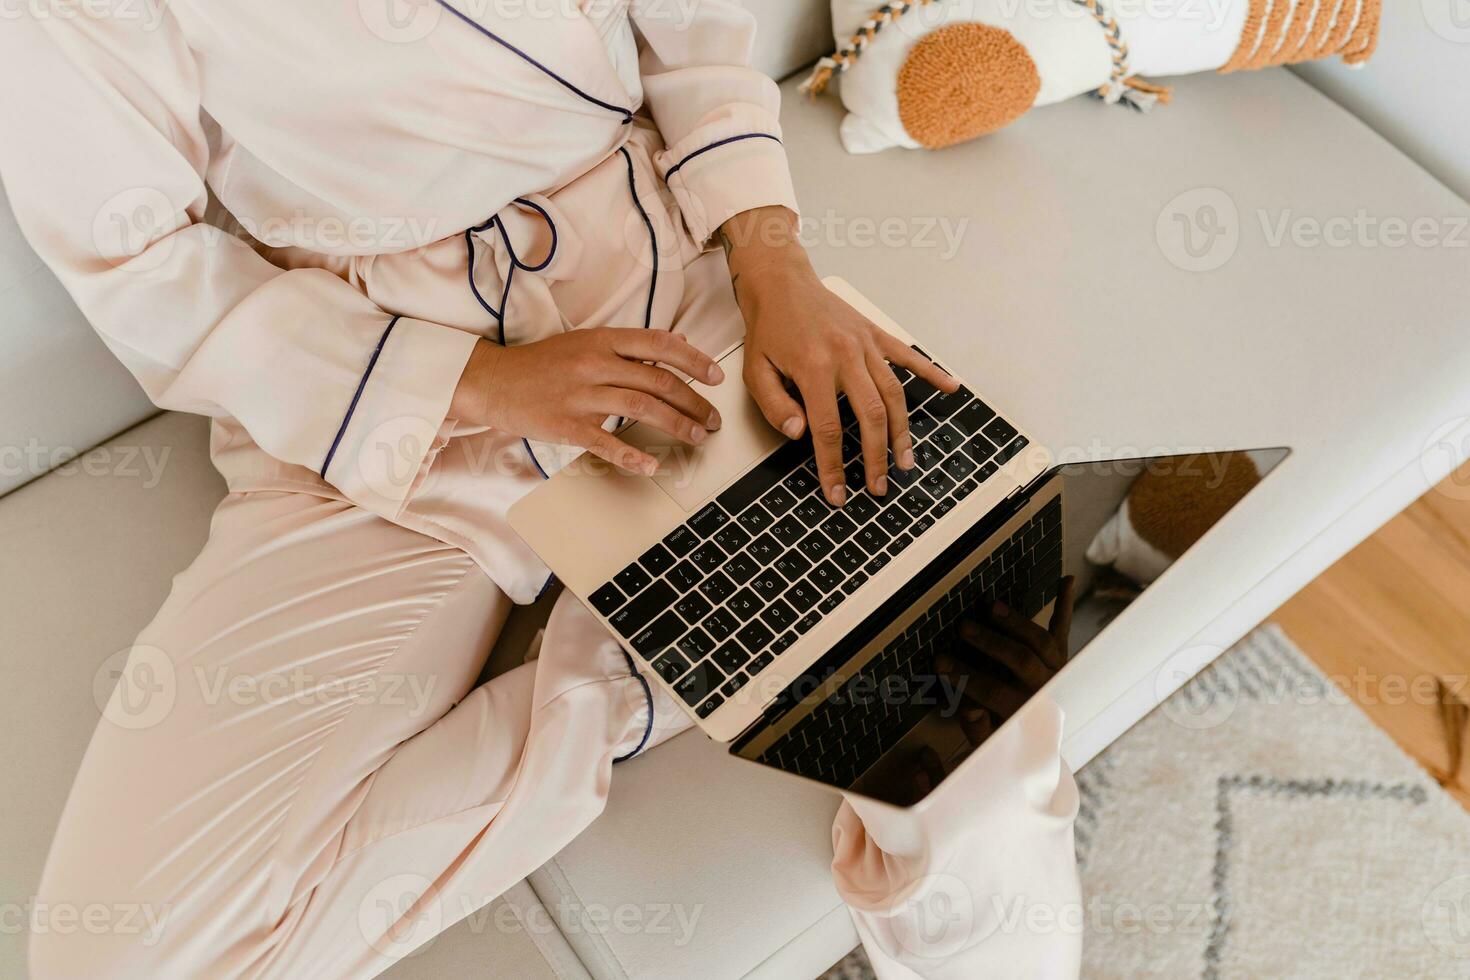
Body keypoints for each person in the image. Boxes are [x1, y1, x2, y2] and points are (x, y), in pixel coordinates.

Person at [0, 1, 1081, 976]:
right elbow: (138, 262)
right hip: (363, 394)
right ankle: (640, 666)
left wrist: (773, 255)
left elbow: (693, 25)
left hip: (673, 301)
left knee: (981, 736)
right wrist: (476, 382)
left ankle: (696, 626)